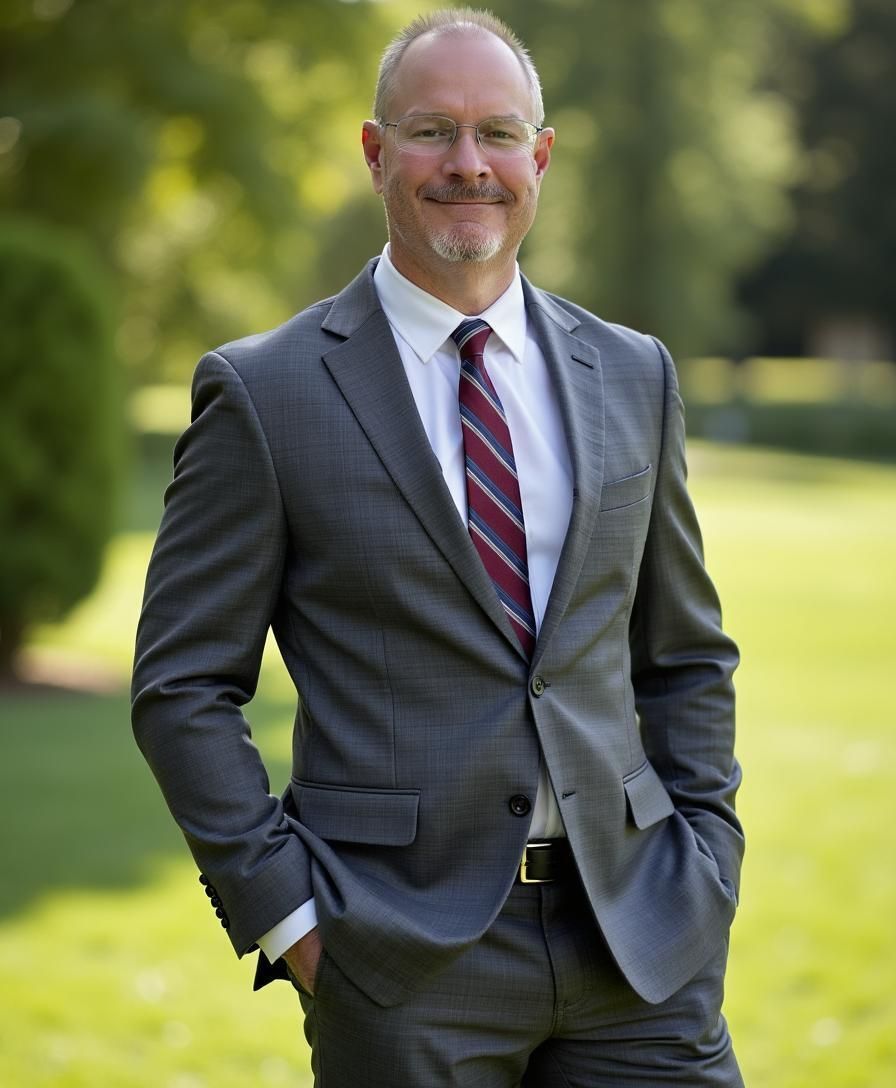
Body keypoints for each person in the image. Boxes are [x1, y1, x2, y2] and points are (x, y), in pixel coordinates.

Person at [132, 7, 745, 1085]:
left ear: (538, 156)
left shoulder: (633, 373)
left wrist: (706, 859)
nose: (469, 164)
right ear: (375, 154)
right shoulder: (265, 392)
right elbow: (181, 685)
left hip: (640, 940)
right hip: (400, 959)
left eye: (497, 133)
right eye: (431, 131)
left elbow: (685, 652)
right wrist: (294, 922)